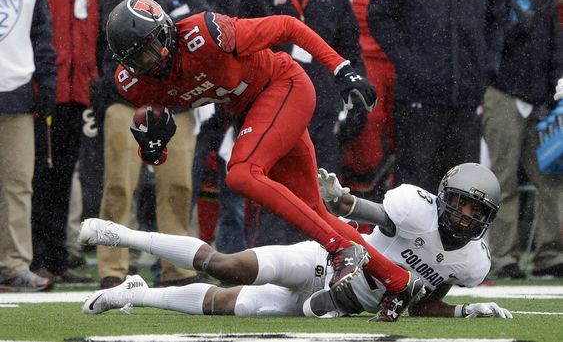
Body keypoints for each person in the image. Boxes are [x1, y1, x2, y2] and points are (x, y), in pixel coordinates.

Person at [104, 0, 423, 319]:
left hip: (284, 85)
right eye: (139, 57)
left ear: (167, 30)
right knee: (315, 212)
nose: (151, 59)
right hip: (257, 110)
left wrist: (341, 69)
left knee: (241, 173)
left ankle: (342, 250)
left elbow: (288, 25)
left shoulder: (207, 34)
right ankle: (396, 280)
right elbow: (157, 151)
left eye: (152, 45)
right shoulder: (134, 83)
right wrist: (152, 146)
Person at [79, 163, 512, 321]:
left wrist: (463, 310)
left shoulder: (471, 262)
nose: (463, 216)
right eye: (459, 204)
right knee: (228, 266)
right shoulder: (413, 209)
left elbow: (420, 303)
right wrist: (343, 201)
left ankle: (136, 294)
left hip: (342, 305)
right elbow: (376, 216)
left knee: (229, 305)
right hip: (326, 262)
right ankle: (121, 234)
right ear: (440, 198)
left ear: (486, 219)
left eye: (475, 212)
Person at [94, 0, 209, 289]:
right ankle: (112, 268)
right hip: (126, 100)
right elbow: (108, 46)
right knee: (119, 185)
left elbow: (198, 34)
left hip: (174, 102)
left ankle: (177, 267)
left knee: (178, 187)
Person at [235, 0, 365, 245]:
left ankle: (321, 266)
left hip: (323, 111)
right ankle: (266, 270)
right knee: (270, 196)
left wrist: (355, 100)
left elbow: (349, 47)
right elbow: (238, 56)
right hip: (271, 113)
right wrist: (239, 114)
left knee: (319, 196)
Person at [368, 0, 507, 193]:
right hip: (418, 101)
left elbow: (497, 16)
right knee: (414, 192)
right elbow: (379, 15)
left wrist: (486, 68)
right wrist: (411, 65)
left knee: (460, 193)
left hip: (466, 101)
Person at [482, 0, 563, 279]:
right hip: (502, 89)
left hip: (541, 92)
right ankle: (504, 257)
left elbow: (554, 31)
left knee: (551, 175)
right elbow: (485, 26)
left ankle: (551, 253)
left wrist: (557, 78)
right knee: (503, 178)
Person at [29, 0, 98, 284]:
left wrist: (92, 80)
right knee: (41, 177)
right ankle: (35, 257)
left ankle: (56, 258)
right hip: (45, 89)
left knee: (62, 177)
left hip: (76, 92)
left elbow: (92, 30)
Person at [317, 0, 396, 202]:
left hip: (404, 48)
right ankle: (354, 224)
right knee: (364, 142)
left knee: (407, 147)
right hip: (362, 48)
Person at [0, 0, 56, 292]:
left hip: (16, 92)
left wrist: (48, 81)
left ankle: (14, 264)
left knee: (18, 184)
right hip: (17, 91)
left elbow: (41, 31)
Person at [187, 0, 248, 253]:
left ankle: (233, 258)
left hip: (233, 102)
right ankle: (178, 260)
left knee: (235, 184)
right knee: (186, 184)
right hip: (195, 100)